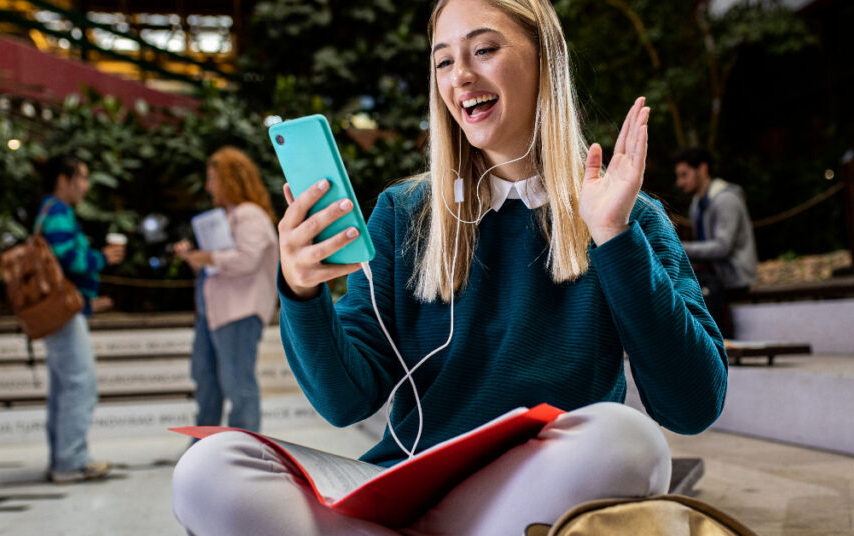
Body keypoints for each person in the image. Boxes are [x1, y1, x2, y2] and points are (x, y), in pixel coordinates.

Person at [172, 0, 727, 534]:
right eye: (443, 60)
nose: (460, 75)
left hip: (529, 486)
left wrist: (613, 237)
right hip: (405, 482)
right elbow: (345, 401)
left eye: (483, 50)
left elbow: (692, 406)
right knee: (210, 469)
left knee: (631, 443)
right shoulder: (403, 212)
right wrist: (299, 291)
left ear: (544, 61)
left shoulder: (626, 214)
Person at [173, 147, 279, 434]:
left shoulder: (250, 215)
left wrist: (206, 258)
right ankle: (205, 447)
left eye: (212, 179)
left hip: (239, 313)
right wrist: (198, 257)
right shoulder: (230, 216)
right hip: (217, 313)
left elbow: (246, 260)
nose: (208, 186)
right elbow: (223, 264)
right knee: (208, 382)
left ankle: (244, 452)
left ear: (229, 180)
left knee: (238, 385)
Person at [36, 155, 125, 483]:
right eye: (82, 177)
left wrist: (89, 300)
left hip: (59, 310)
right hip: (63, 313)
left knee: (64, 387)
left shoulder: (47, 209)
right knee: (79, 385)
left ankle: (62, 457)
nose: (86, 186)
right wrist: (104, 256)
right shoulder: (58, 211)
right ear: (64, 179)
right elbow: (68, 260)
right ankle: (71, 461)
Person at [674, 147, 757, 339]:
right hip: (713, 273)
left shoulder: (725, 199)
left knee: (702, 288)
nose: (680, 182)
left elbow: (722, 247)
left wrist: (680, 247)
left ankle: (718, 342)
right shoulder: (697, 204)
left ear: (703, 169)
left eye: (684, 175)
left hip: (733, 275)